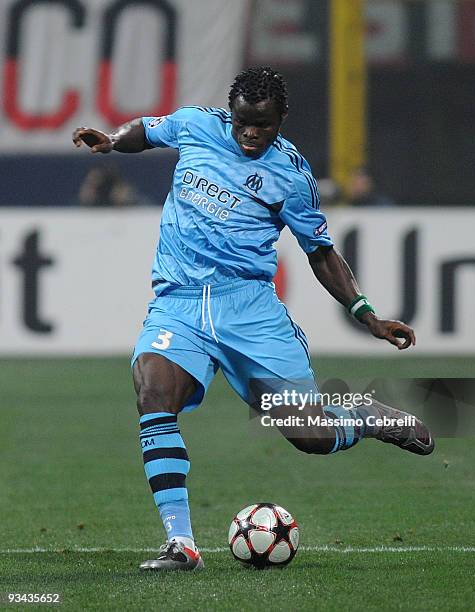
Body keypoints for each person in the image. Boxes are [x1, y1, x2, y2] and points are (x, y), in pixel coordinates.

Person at [72, 66, 433, 572]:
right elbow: (147, 132)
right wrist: (111, 140)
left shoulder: (292, 175)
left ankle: (369, 416)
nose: (250, 133)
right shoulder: (196, 125)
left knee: (309, 436)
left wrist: (365, 314)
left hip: (249, 311)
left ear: (281, 118)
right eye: (243, 121)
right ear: (231, 112)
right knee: (153, 394)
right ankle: (182, 544)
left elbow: (321, 253)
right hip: (178, 303)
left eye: (261, 125)